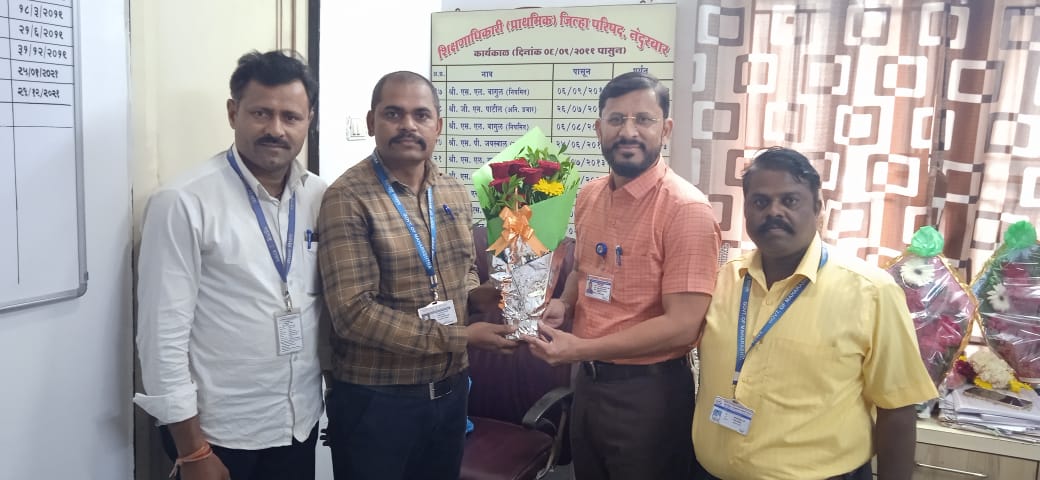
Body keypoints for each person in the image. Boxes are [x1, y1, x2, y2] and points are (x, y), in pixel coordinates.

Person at [134, 50, 325, 480]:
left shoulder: (320, 196)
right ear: (233, 112)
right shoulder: (184, 202)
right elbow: (162, 337)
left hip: (298, 423)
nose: (276, 129)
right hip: (218, 434)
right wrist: (193, 451)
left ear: (308, 120)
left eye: (291, 117)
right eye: (261, 113)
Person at [317, 71, 518, 480]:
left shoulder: (453, 190)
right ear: (372, 122)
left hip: (450, 394)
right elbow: (354, 314)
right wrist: (463, 336)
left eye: (421, 115)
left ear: (437, 126)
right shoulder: (347, 197)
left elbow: (462, 270)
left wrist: (479, 295)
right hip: (378, 400)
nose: (408, 125)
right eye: (394, 114)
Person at [691, 147, 938, 480]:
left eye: (790, 201)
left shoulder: (871, 291)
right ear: (746, 210)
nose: (773, 212)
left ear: (818, 207)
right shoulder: (725, 279)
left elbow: (897, 410)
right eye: (760, 202)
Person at [524, 71, 722, 479]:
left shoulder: (686, 211)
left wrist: (580, 349)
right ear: (599, 129)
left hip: (648, 395)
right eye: (616, 119)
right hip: (588, 385)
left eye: (643, 119)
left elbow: (684, 326)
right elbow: (584, 269)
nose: (628, 131)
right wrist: (564, 303)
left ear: (665, 129)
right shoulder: (589, 195)